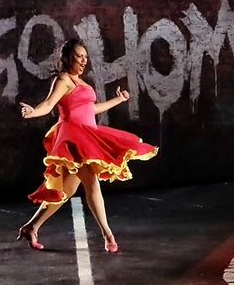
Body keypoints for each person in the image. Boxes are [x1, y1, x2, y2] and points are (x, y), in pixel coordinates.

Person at [16, 39, 158, 253]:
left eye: (85, 57)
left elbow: (90, 109)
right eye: (79, 56)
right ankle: (108, 234)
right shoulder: (63, 80)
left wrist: (117, 100)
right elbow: (48, 104)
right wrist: (33, 112)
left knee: (67, 190)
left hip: (87, 136)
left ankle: (31, 227)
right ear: (68, 58)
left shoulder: (81, 82)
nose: (84, 61)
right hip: (73, 139)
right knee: (91, 181)